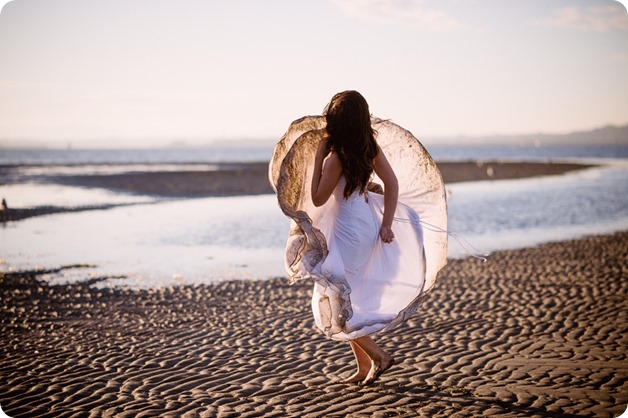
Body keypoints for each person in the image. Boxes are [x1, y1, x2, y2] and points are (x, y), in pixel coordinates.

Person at [308, 90, 423, 385]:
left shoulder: (335, 158)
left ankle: (379, 356)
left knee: (336, 300)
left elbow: (318, 198)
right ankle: (363, 368)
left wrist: (319, 158)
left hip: (347, 231)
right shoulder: (367, 147)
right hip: (366, 226)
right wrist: (385, 225)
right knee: (350, 298)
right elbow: (392, 184)